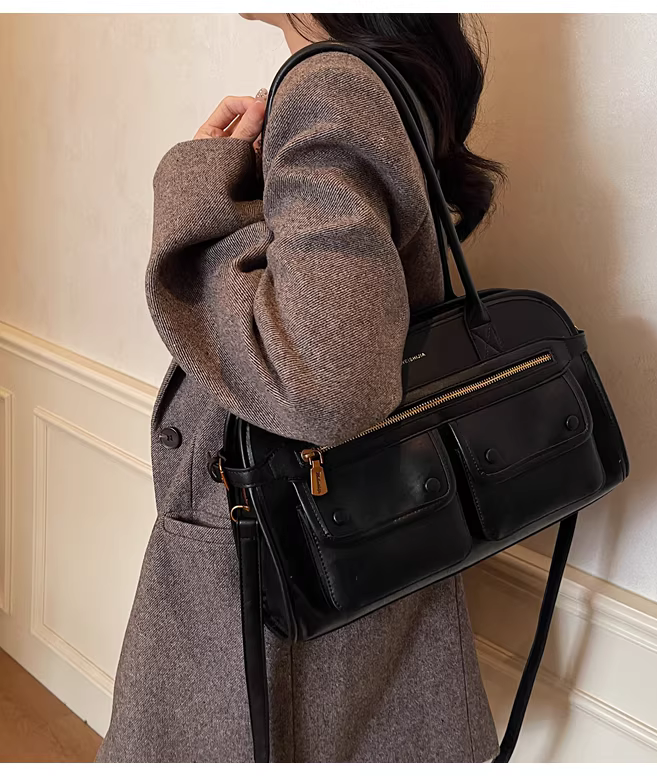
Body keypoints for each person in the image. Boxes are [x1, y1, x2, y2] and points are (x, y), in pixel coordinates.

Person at [97, 13, 504, 763]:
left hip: (277, 607)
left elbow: (327, 383)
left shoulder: (329, 85)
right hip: (345, 572)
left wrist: (200, 195)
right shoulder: (375, 77)